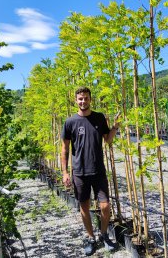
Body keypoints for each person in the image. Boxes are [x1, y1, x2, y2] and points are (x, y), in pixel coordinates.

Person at [61, 86, 120, 256]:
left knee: (105, 205)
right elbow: (64, 149)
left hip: (98, 170)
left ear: (90, 99)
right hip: (79, 172)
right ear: (76, 100)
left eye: (86, 98)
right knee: (84, 207)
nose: (83, 101)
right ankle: (90, 237)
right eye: (80, 99)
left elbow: (107, 140)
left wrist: (115, 127)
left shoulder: (99, 118)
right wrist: (65, 172)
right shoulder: (70, 122)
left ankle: (103, 235)